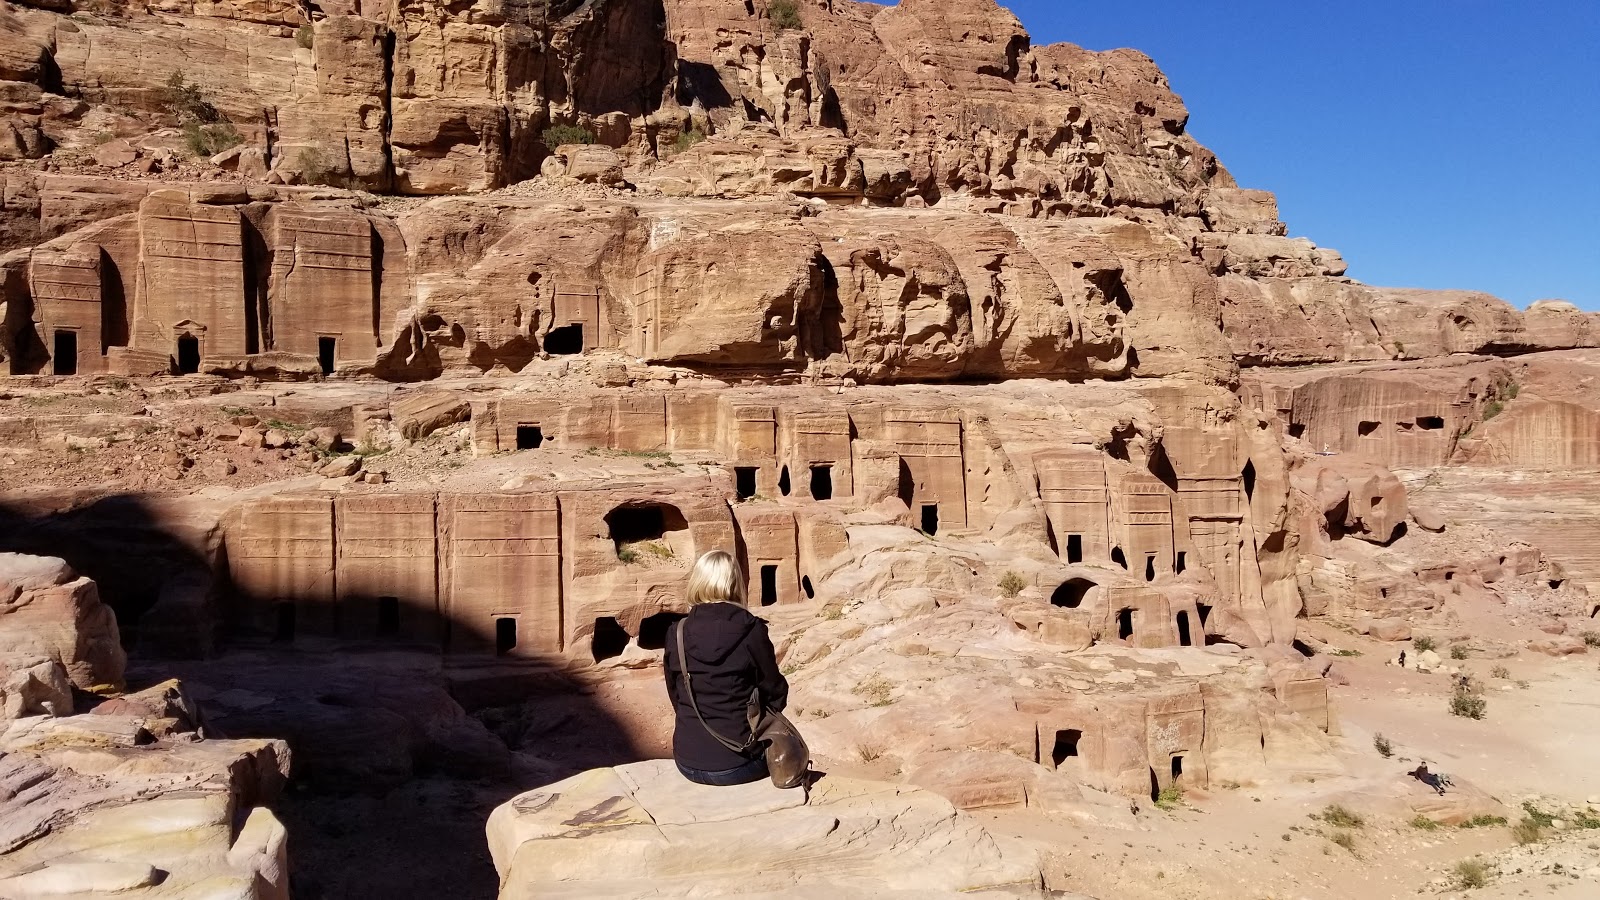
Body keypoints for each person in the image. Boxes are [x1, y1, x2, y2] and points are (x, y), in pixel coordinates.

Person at [663, 550, 789, 786]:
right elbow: (775, 692)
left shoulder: (676, 632)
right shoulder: (752, 630)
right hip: (739, 762)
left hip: (687, 762)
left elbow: (675, 693)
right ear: (735, 582)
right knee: (788, 752)